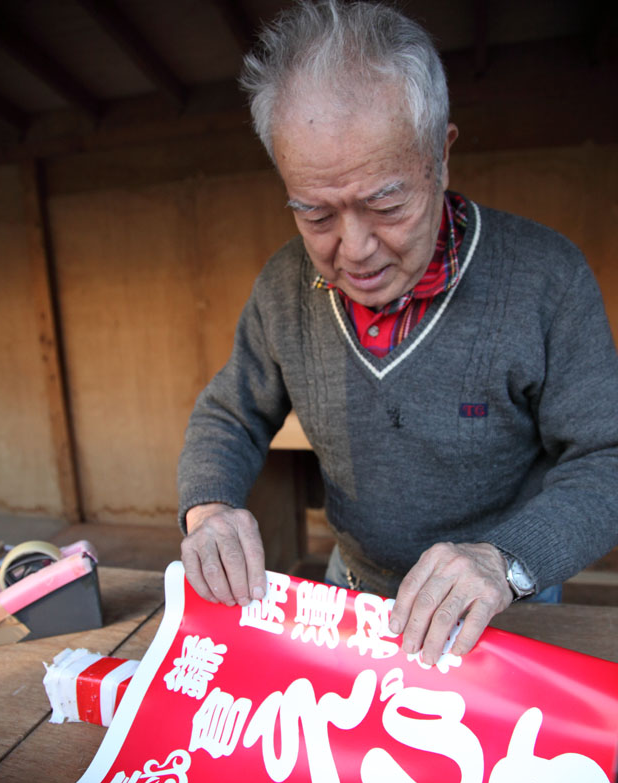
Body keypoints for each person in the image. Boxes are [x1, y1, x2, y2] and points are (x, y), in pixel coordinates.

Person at [178, 0, 618, 665]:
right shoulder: (282, 287)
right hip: (352, 598)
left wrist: (506, 561)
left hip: (499, 611)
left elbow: (607, 455)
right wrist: (208, 509)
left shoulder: (546, 279)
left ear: (441, 156)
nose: (354, 248)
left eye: (386, 204)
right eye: (316, 213)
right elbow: (228, 413)